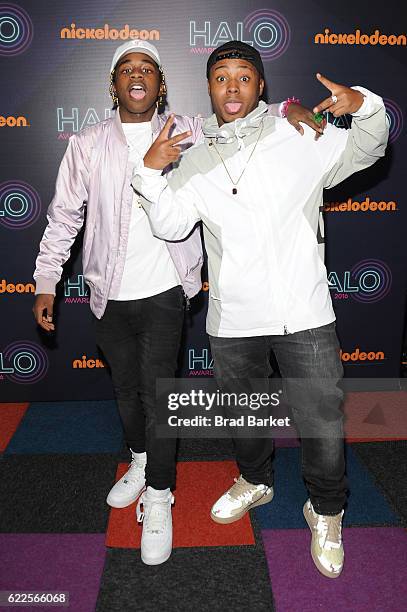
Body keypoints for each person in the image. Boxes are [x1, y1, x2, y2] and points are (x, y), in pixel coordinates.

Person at [32, 39, 328, 566]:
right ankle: (143, 462)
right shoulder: (87, 143)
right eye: (127, 68)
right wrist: (46, 281)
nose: (137, 75)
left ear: (161, 83)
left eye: (147, 68)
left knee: (159, 398)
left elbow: (242, 114)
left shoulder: (190, 132)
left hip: (168, 291)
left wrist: (286, 107)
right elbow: (63, 218)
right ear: (114, 84)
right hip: (107, 293)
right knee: (127, 394)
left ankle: (162, 497)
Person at [132, 40, 388, 577]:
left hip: (307, 315)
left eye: (243, 76)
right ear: (208, 86)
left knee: (322, 424)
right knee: (245, 416)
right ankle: (256, 479)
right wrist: (151, 171)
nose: (232, 87)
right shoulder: (193, 155)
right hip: (235, 320)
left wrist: (362, 105)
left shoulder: (299, 134)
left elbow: (368, 149)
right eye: (221, 76)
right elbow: (171, 224)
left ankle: (326, 510)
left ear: (261, 85)